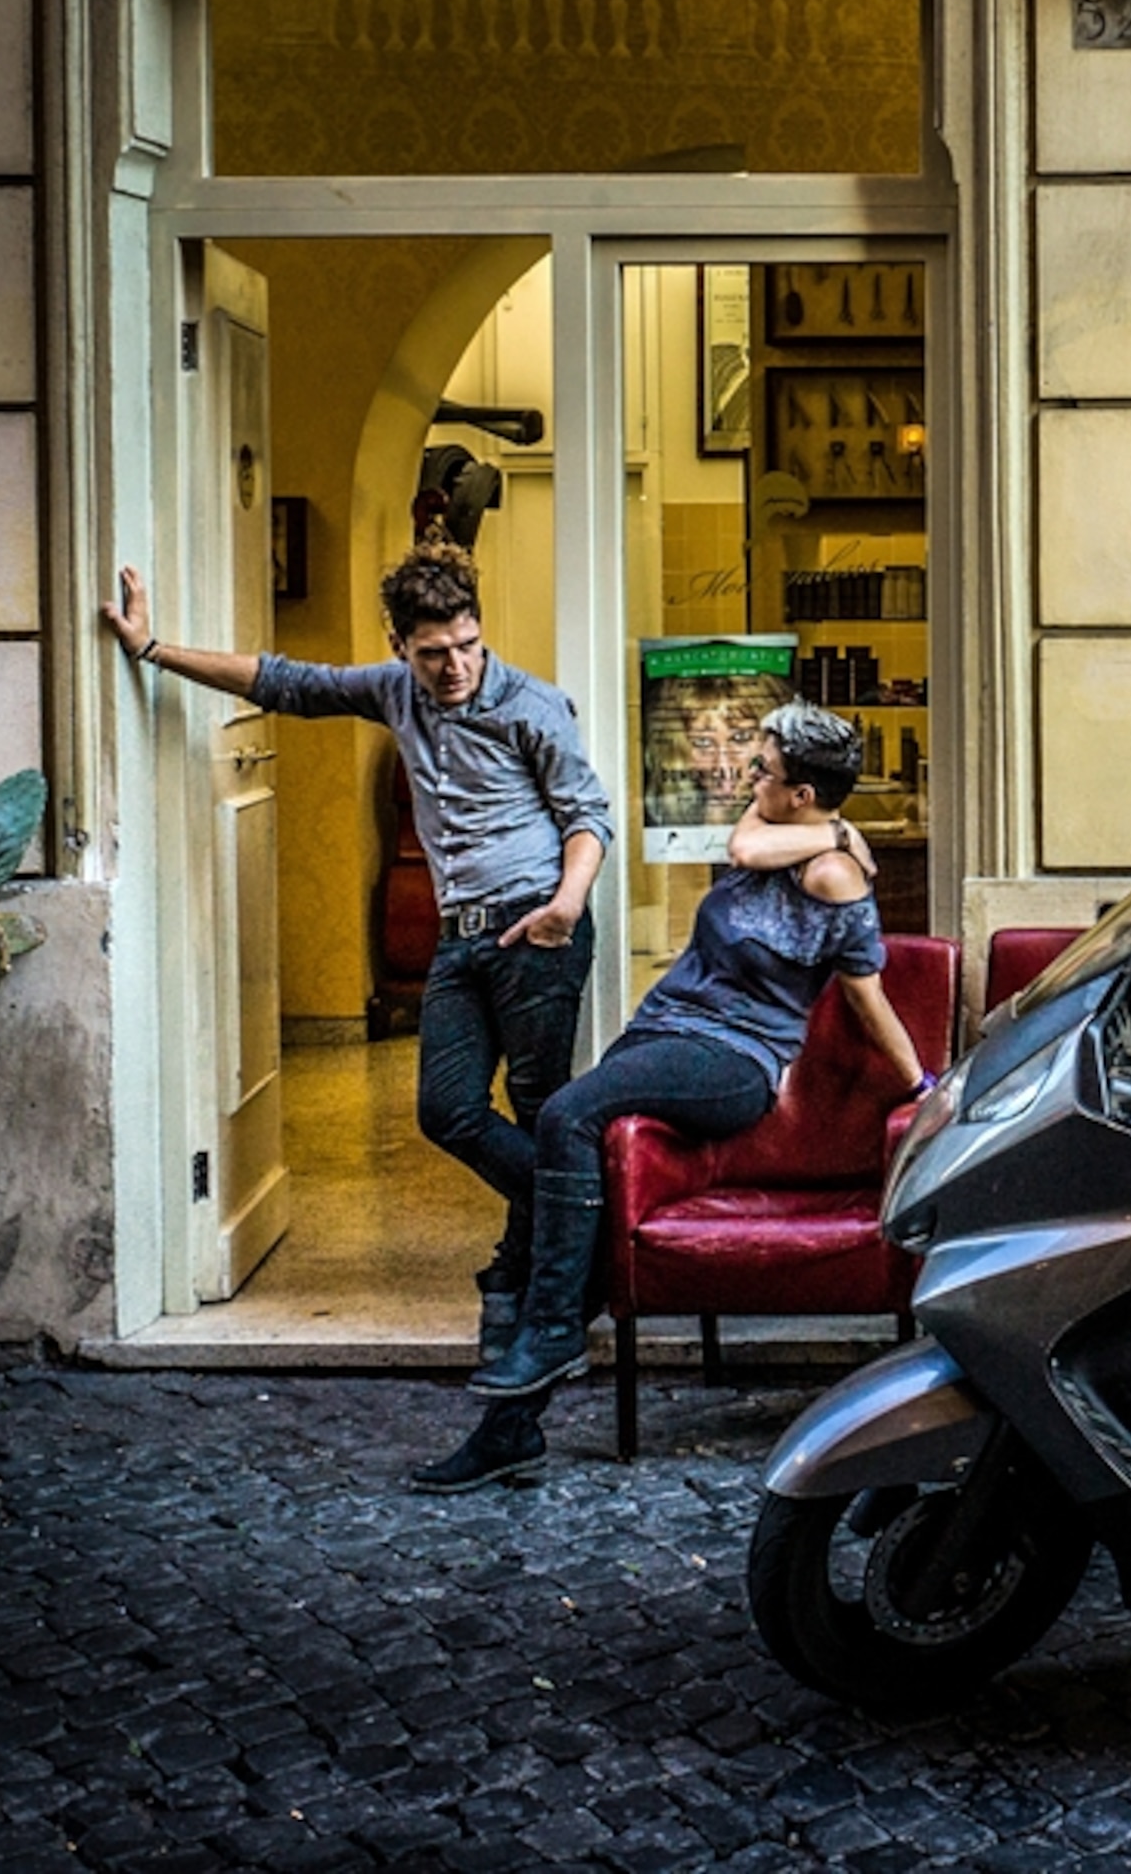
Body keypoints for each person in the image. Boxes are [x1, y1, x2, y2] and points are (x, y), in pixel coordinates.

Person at [103, 539, 614, 1493]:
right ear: (401, 646)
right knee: (449, 1111)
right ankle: (587, 1216)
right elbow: (284, 681)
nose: (454, 667)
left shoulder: (531, 703)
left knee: (546, 1115)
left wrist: (565, 907)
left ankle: (516, 1395)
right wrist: (153, 649)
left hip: (536, 926)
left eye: (466, 644)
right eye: (433, 653)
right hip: (460, 940)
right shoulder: (393, 692)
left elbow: (588, 813)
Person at [468, 700, 927, 1402]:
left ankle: (551, 1326)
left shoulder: (834, 877)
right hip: (669, 1029)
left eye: (764, 769)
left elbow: (868, 998)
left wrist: (921, 1085)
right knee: (579, 1144)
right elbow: (745, 842)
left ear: (801, 793)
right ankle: (518, 1405)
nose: (749, 777)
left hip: (733, 1056)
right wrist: (831, 822)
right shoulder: (768, 829)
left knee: (565, 1117)